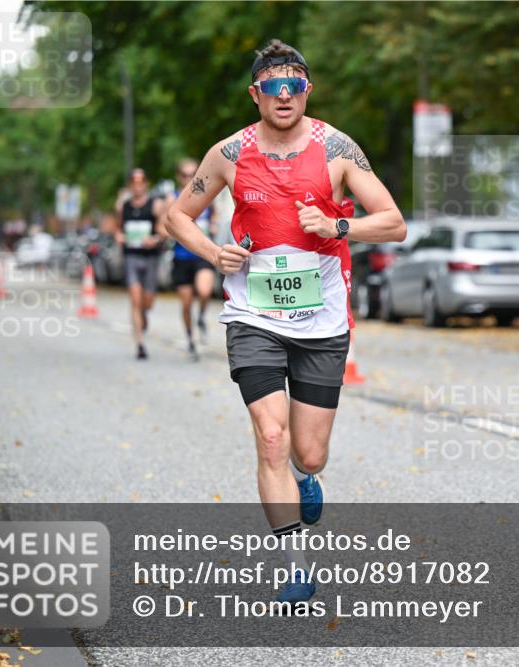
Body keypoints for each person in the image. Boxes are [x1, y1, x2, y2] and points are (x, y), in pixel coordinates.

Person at [166, 39, 405, 605]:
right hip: (253, 313)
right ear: (255, 94)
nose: (284, 94)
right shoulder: (227, 153)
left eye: (294, 84)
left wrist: (337, 227)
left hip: (321, 317)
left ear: (307, 91)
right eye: (272, 85)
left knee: (309, 452)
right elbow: (177, 215)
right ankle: (295, 563)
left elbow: (393, 223)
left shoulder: (338, 148)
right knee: (270, 437)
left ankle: (305, 475)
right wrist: (210, 251)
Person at [167, 158, 217, 360]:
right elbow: (165, 225)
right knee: (186, 303)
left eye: (192, 174)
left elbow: (214, 219)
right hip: (181, 256)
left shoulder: (207, 197)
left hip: (203, 254)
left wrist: (212, 226)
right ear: (179, 177)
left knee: (204, 292)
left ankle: (202, 317)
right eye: (185, 175)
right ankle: (190, 339)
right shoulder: (173, 200)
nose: (188, 178)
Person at [115, 168, 166, 360]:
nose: (137, 186)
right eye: (133, 183)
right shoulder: (123, 206)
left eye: (141, 182)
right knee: (135, 300)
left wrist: (154, 239)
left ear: (146, 184)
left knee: (148, 302)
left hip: (150, 257)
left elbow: (163, 231)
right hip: (131, 256)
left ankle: (143, 316)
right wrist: (119, 237)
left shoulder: (156, 205)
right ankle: (140, 344)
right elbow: (117, 228)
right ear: (129, 185)